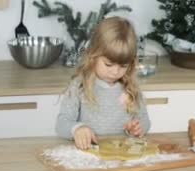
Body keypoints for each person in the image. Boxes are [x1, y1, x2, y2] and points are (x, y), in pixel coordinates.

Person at [55, 16, 150, 150]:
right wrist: (77, 129)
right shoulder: (79, 86)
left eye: (123, 66)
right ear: (93, 55)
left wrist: (138, 128)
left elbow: (145, 120)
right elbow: (61, 124)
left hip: (122, 155)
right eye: (108, 64)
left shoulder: (131, 88)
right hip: (89, 155)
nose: (115, 72)